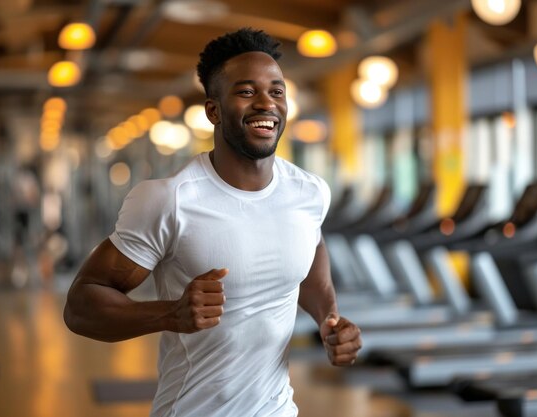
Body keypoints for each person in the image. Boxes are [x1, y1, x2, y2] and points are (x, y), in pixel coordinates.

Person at [64, 27, 362, 417]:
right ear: (213, 110)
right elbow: (80, 306)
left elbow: (310, 258)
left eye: (276, 91)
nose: (265, 103)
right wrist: (170, 314)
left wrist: (329, 319)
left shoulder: (309, 193)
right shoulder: (169, 199)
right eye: (245, 91)